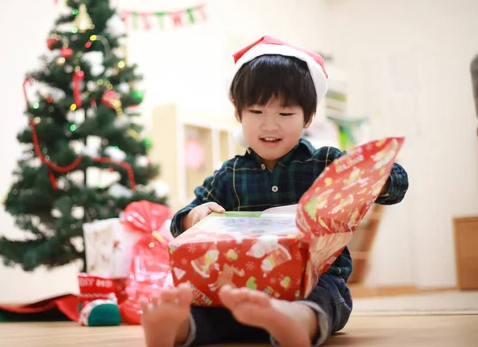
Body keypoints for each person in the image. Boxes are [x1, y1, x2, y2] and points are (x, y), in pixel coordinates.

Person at [139, 36, 409, 347]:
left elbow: (397, 184)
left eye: (284, 114)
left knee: (326, 298)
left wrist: (370, 179)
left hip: (315, 281)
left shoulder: (324, 163)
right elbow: (181, 220)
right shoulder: (230, 174)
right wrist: (193, 217)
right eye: (256, 112)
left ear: (307, 118)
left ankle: (295, 320)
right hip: (239, 284)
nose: (270, 126)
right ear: (239, 114)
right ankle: (177, 328)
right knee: (213, 307)